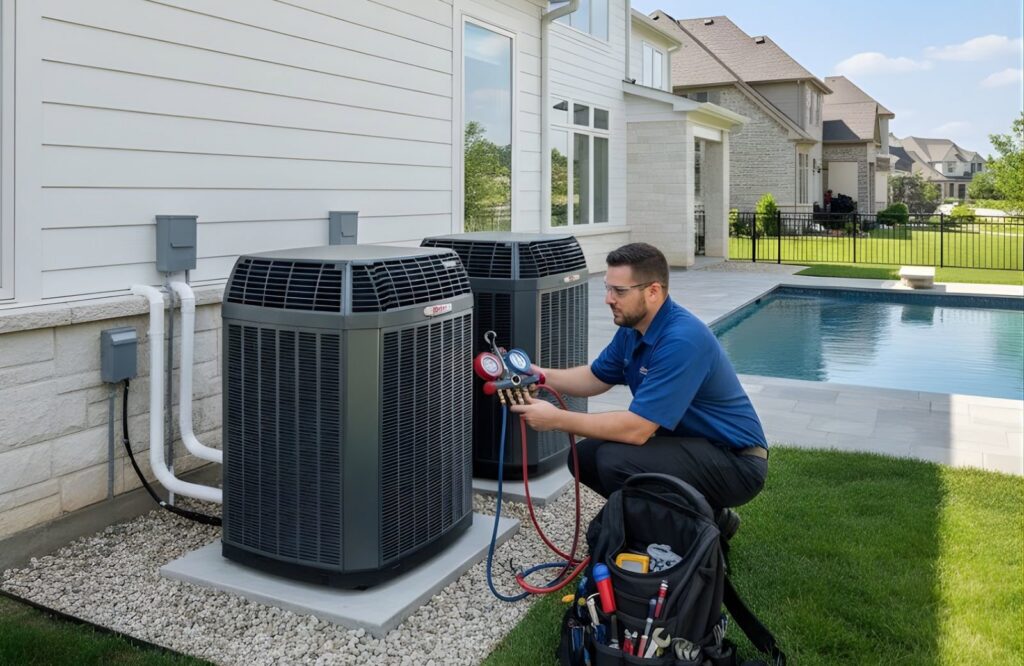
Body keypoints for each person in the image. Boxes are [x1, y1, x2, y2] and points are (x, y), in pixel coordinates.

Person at [510, 243, 767, 528]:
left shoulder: (682, 340)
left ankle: (685, 531)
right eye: (607, 288)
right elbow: (596, 377)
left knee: (615, 459)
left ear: (653, 291)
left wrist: (556, 419)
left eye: (619, 291)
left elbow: (637, 430)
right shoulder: (633, 329)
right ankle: (705, 519)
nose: (608, 299)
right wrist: (540, 375)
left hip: (736, 462)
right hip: (692, 446)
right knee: (584, 457)